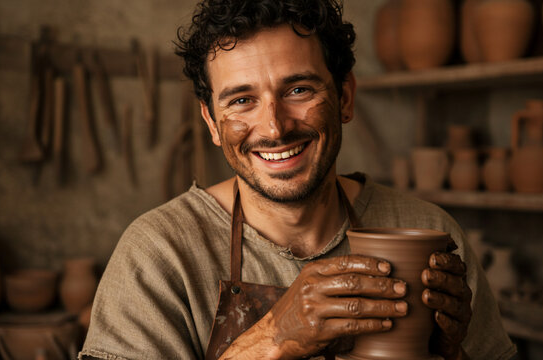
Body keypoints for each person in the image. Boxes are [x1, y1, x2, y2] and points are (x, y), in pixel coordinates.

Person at [79, 1, 516, 359]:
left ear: (344, 98)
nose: (274, 127)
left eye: (298, 90)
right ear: (212, 123)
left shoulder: (433, 233)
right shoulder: (158, 255)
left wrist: (451, 356)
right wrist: (271, 339)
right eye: (242, 100)